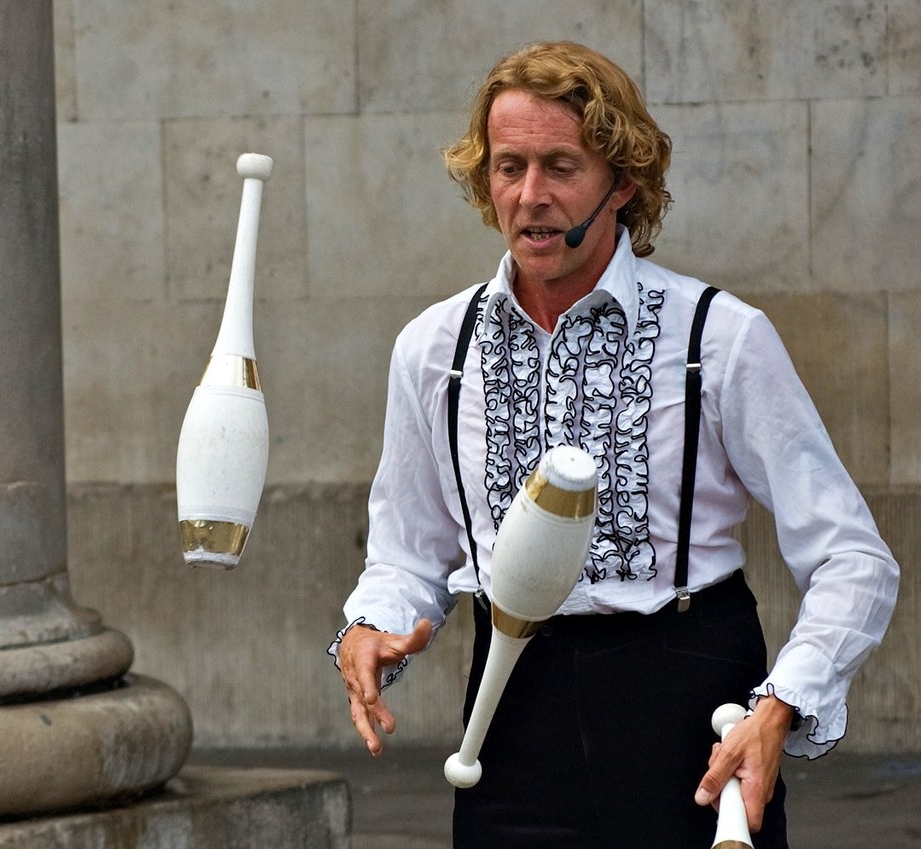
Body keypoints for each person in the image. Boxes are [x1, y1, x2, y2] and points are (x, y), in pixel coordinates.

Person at [328, 40, 898, 848]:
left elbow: (853, 558)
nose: (529, 195)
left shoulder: (721, 338)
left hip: (691, 707)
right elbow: (407, 552)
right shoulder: (434, 349)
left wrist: (779, 708)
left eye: (560, 166)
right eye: (507, 166)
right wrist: (370, 626)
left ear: (622, 181)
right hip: (511, 718)